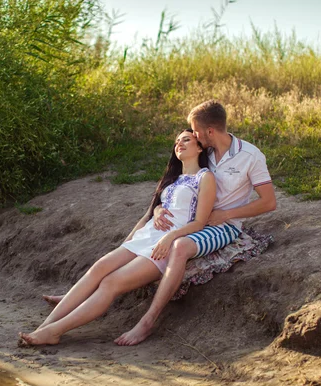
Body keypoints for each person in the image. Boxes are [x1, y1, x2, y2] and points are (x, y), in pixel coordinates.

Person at [19, 129, 216, 346]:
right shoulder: (172, 179)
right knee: (99, 267)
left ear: (199, 147)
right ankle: (45, 326)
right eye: (177, 141)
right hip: (147, 235)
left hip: (165, 243)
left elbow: (199, 222)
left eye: (186, 140)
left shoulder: (204, 177)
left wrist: (170, 238)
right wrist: (157, 210)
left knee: (111, 282)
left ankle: (55, 332)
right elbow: (153, 212)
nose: (179, 143)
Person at [113, 100, 277, 345]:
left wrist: (225, 215)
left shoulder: (250, 156)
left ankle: (147, 321)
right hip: (189, 218)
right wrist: (158, 209)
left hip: (223, 225)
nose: (193, 135)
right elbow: (176, 187)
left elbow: (269, 202)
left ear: (210, 131)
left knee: (180, 247)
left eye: (195, 131)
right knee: (147, 218)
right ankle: (93, 288)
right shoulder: (204, 153)